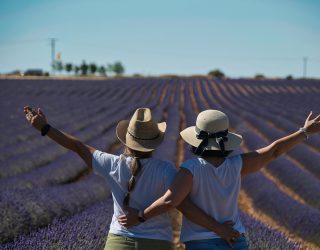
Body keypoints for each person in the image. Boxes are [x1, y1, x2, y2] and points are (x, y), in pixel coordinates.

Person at [23, 106, 240, 250]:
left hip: (119, 242)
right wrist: (219, 227)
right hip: (157, 244)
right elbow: (182, 204)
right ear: (155, 142)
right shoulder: (167, 170)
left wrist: (44, 127)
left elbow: (78, 147)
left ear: (126, 140)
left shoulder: (112, 164)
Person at [118, 109, 320, 250]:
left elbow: (170, 201)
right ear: (225, 142)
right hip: (235, 240)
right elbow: (273, 151)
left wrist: (140, 216)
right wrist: (304, 131)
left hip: (201, 243)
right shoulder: (236, 165)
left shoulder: (190, 169)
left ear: (196, 140)